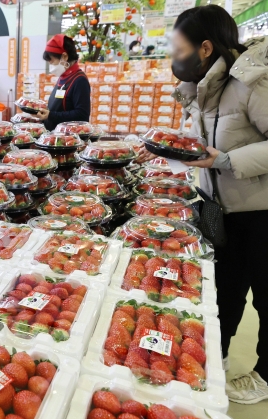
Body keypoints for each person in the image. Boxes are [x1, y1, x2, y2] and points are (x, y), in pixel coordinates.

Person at [140, 5, 268, 404]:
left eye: (178, 50)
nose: (173, 59)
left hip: (259, 211)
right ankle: (220, 355)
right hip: (216, 206)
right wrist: (169, 153)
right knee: (223, 290)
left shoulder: (253, 83)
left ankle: (265, 375)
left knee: (265, 294)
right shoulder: (203, 88)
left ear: (205, 48)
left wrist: (227, 161)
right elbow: (204, 145)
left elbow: (228, 151)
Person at [37, 34, 90, 130]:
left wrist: (51, 115)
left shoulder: (79, 80)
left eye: (52, 61)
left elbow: (82, 115)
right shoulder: (64, 76)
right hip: (54, 135)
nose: (51, 66)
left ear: (64, 56)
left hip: (68, 138)